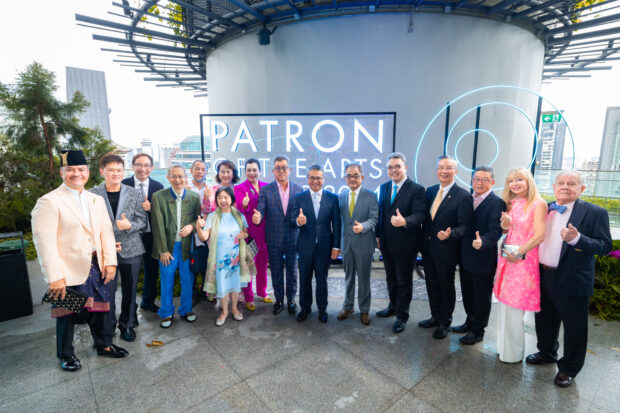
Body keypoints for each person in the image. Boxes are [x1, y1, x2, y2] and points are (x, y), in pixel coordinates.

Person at [31, 149, 128, 371]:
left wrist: (110, 261)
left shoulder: (95, 199)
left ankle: (104, 344)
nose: (76, 174)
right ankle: (65, 355)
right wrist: (55, 278)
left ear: (88, 171)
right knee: (67, 314)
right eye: (70, 170)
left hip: (97, 264)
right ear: (62, 172)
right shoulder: (49, 201)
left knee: (102, 309)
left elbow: (106, 231)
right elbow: (44, 244)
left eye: (81, 169)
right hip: (68, 269)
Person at [526, 171, 612, 387]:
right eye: (561, 183)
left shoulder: (595, 212)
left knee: (574, 327)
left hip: (573, 279)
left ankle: (569, 369)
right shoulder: (545, 208)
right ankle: (546, 352)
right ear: (554, 187)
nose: (565, 187)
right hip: (544, 274)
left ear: (581, 189)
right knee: (544, 319)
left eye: (571, 184)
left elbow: (605, 246)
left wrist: (578, 239)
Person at [91, 153, 148, 342]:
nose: (116, 173)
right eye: (111, 170)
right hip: (105, 252)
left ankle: (128, 324)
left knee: (130, 291)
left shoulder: (134, 193)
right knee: (106, 292)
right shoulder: (92, 194)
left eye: (119, 170)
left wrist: (130, 225)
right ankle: (107, 329)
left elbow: (143, 221)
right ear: (102, 171)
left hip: (131, 249)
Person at [494, 167, 547, 363]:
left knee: (515, 308)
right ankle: (503, 348)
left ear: (528, 181)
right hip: (507, 259)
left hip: (523, 261)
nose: (514, 184)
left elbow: (540, 235)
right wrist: (505, 225)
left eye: (519, 180)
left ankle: (513, 354)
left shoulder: (538, 204)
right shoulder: (510, 203)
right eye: (510, 181)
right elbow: (506, 231)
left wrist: (519, 252)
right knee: (504, 305)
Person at [420, 155, 473, 339]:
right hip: (428, 248)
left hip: (447, 250)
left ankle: (445, 322)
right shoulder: (430, 191)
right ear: (437, 170)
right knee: (431, 284)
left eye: (449, 167)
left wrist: (451, 234)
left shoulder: (463, 196)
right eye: (441, 167)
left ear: (455, 171)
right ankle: (435, 316)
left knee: (445, 286)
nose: (444, 171)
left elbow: (465, 226)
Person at [375, 152, 426, 334]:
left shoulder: (417, 189)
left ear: (405, 167)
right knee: (391, 278)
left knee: (404, 280)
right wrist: (378, 235)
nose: (394, 170)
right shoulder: (384, 187)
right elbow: (381, 214)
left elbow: (420, 215)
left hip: (406, 244)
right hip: (386, 243)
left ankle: (402, 316)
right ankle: (392, 307)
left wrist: (404, 221)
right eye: (390, 167)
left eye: (397, 166)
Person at [456, 166, 506, 345]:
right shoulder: (468, 199)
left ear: (492, 182)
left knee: (481, 296)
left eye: (484, 179)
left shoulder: (497, 203)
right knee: (468, 292)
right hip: (466, 255)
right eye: (476, 179)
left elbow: (496, 231)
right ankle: (470, 322)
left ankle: (478, 331)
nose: (479, 183)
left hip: (483, 257)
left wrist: (483, 242)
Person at [151, 164, 202, 328]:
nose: (178, 179)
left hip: (187, 248)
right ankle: (166, 313)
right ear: (168, 178)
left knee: (188, 280)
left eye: (181, 176)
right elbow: (157, 226)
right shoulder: (159, 197)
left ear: (186, 177)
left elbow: (198, 219)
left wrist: (192, 227)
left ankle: (186, 310)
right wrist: (163, 250)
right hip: (168, 249)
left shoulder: (194, 197)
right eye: (174, 176)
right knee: (167, 280)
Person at [252, 155, 303, 315]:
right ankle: (279, 300)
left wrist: (300, 221)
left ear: (289, 170)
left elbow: (299, 215)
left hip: (293, 237)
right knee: (275, 271)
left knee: (293, 271)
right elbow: (260, 208)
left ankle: (292, 300)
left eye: (284, 167)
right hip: (273, 238)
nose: (281, 170)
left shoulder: (298, 189)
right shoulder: (266, 190)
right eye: (278, 168)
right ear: (273, 171)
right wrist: (257, 216)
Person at [197, 187, 255, 325]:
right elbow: (204, 237)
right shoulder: (212, 216)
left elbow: (246, 232)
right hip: (220, 259)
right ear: (216, 200)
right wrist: (199, 227)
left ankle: (234, 309)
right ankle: (224, 312)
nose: (223, 200)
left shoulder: (239, 215)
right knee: (222, 285)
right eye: (219, 198)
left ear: (231, 199)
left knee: (235, 285)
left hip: (236, 258)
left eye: (226, 197)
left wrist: (243, 235)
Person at [290, 165, 341, 323]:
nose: (315, 181)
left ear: (323, 179)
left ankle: (322, 308)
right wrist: (298, 221)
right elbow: (292, 221)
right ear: (307, 179)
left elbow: (337, 224)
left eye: (318, 177)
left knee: (322, 279)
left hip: (325, 247)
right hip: (305, 246)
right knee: (304, 279)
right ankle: (305, 308)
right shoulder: (299, 198)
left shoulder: (332, 198)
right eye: (312, 177)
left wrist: (336, 246)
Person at [337, 163, 379, 325]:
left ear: (362, 177)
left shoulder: (371, 196)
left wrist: (363, 227)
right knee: (348, 277)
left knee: (364, 279)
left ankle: (364, 310)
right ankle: (348, 307)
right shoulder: (340, 197)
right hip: (346, 245)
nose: (352, 179)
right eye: (349, 175)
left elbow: (374, 219)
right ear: (344, 178)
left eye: (355, 175)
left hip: (364, 243)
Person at [122, 153, 164, 313]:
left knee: (151, 270)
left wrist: (152, 208)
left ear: (151, 168)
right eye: (139, 165)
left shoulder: (158, 186)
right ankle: (130, 307)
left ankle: (148, 301)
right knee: (129, 273)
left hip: (150, 235)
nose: (143, 169)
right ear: (133, 166)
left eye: (147, 165)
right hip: (129, 235)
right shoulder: (123, 184)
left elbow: (162, 213)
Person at [234, 158, 272, 311]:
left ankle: (262, 292)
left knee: (263, 264)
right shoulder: (240, 188)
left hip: (265, 233)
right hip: (250, 234)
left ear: (260, 171)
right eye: (248, 170)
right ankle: (249, 297)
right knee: (249, 266)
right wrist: (244, 204)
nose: (251, 172)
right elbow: (239, 212)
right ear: (245, 172)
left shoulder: (267, 187)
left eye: (254, 169)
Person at [186, 160, 211, 301]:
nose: (199, 171)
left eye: (203, 169)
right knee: (191, 265)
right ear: (191, 170)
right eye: (197, 168)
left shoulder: (210, 189)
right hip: (189, 231)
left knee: (205, 263)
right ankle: (193, 294)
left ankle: (205, 291)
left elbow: (211, 210)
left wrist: (208, 198)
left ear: (206, 172)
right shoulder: (185, 187)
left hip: (205, 232)